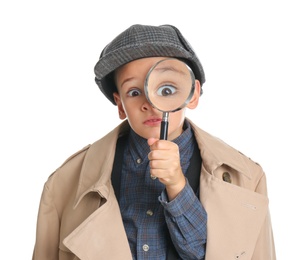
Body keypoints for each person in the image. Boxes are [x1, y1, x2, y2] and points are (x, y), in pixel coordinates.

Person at [32, 24, 276, 260]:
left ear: (192, 94)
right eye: (134, 92)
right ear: (120, 105)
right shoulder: (63, 185)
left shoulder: (247, 178)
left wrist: (177, 185)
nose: (149, 101)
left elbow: (206, 252)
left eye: (167, 90)